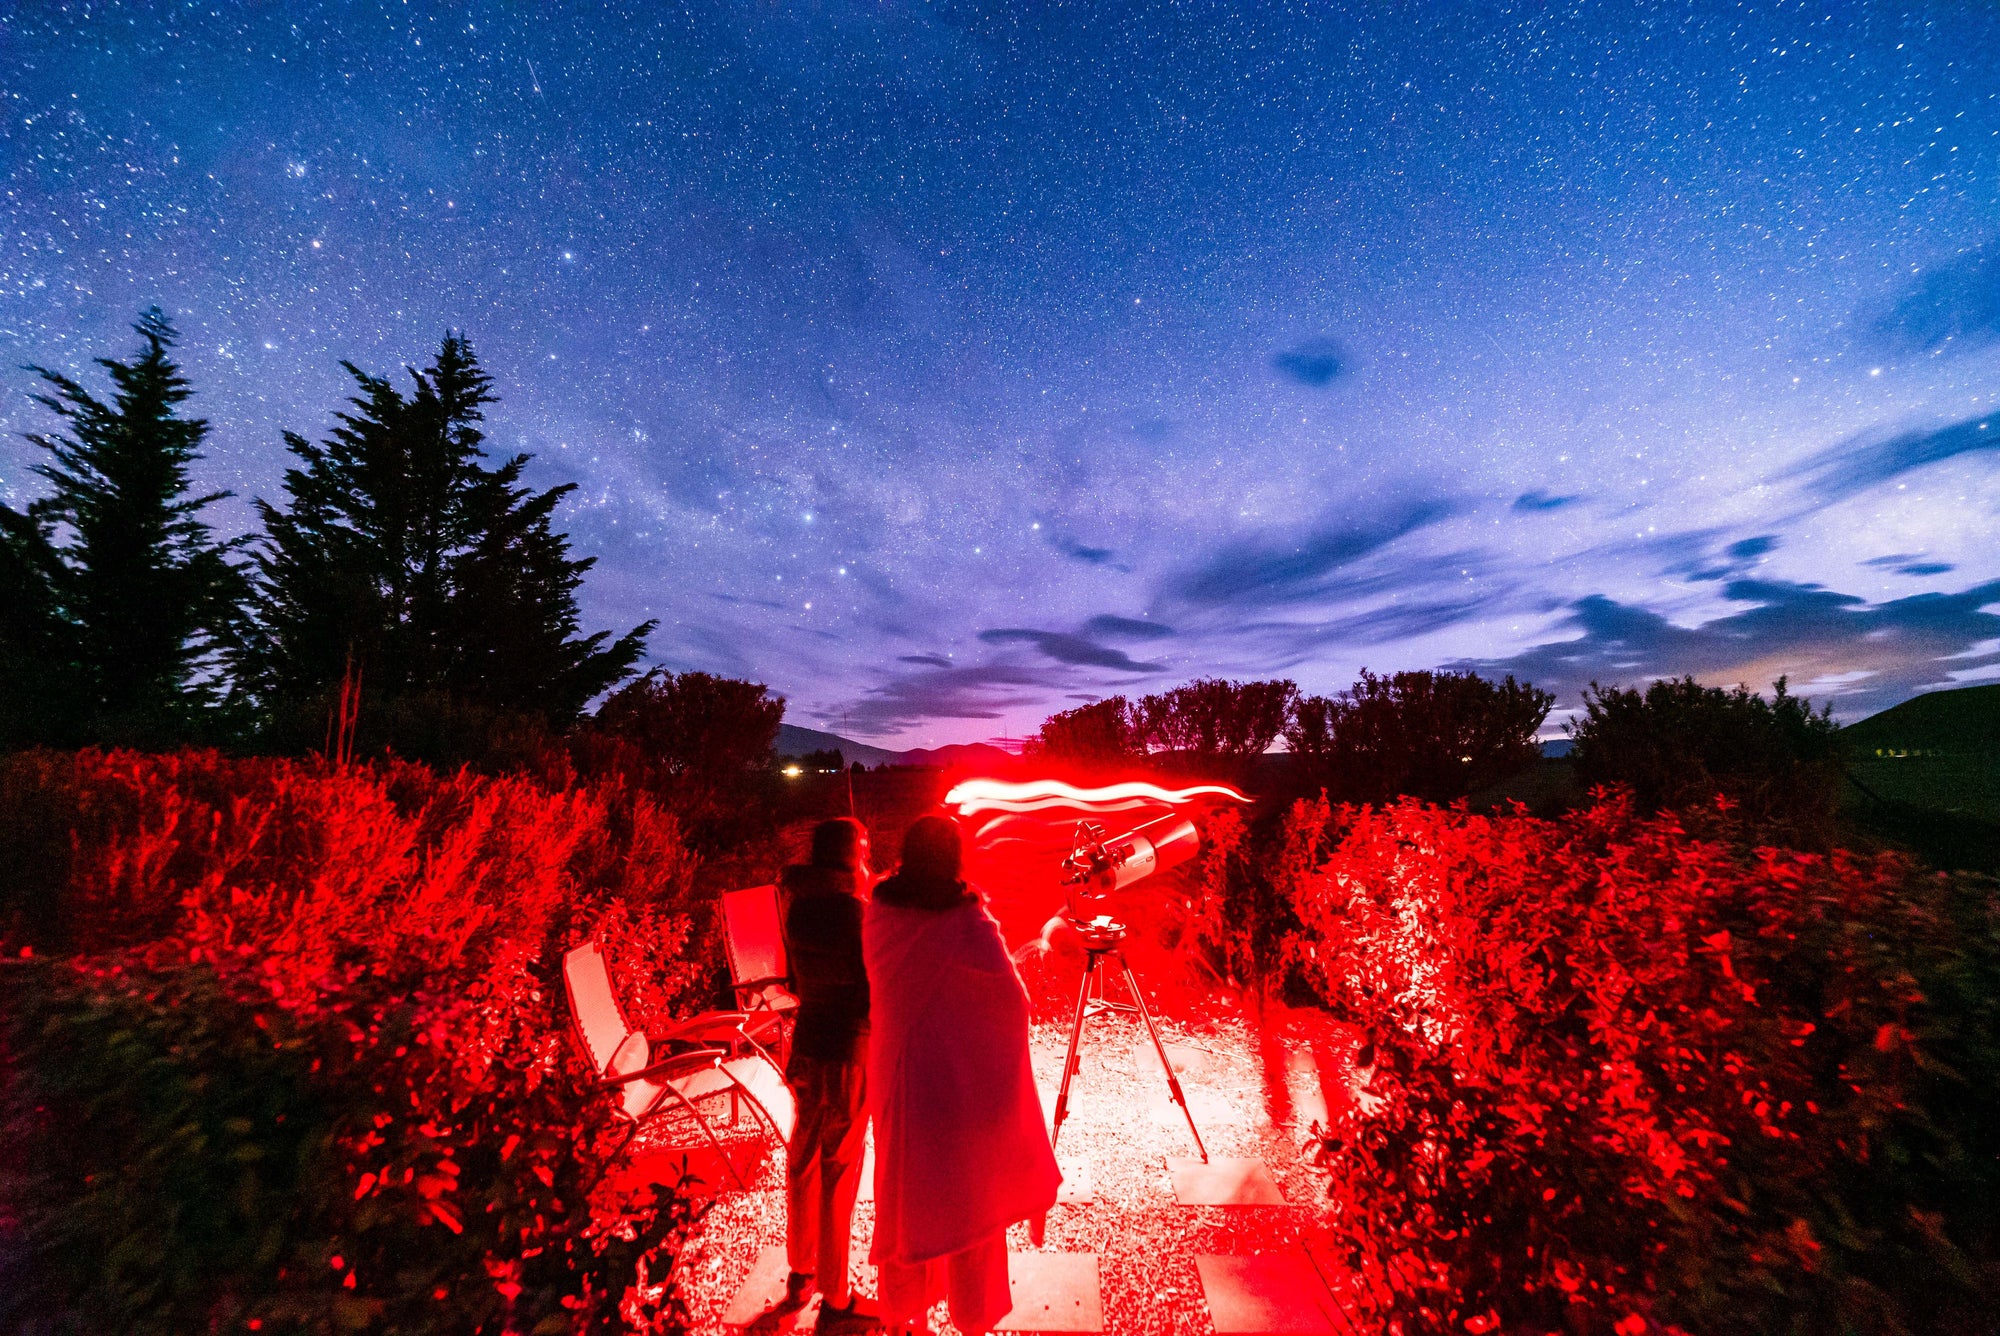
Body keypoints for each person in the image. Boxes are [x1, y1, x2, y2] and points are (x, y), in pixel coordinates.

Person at [865, 815, 1062, 1336]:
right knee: (969, 1198)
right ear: (955, 858)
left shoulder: (878, 911)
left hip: (899, 1079)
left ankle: (909, 1321)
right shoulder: (966, 919)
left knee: (907, 1196)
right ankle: (971, 1321)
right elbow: (1011, 1001)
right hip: (955, 1085)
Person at [777, 817, 878, 1330]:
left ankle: (801, 1270)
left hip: (807, 1045)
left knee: (803, 1159)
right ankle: (836, 1296)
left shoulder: (799, 908)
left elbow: (797, 979)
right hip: (846, 1051)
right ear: (851, 856)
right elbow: (874, 981)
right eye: (864, 852)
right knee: (839, 1168)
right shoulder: (857, 914)